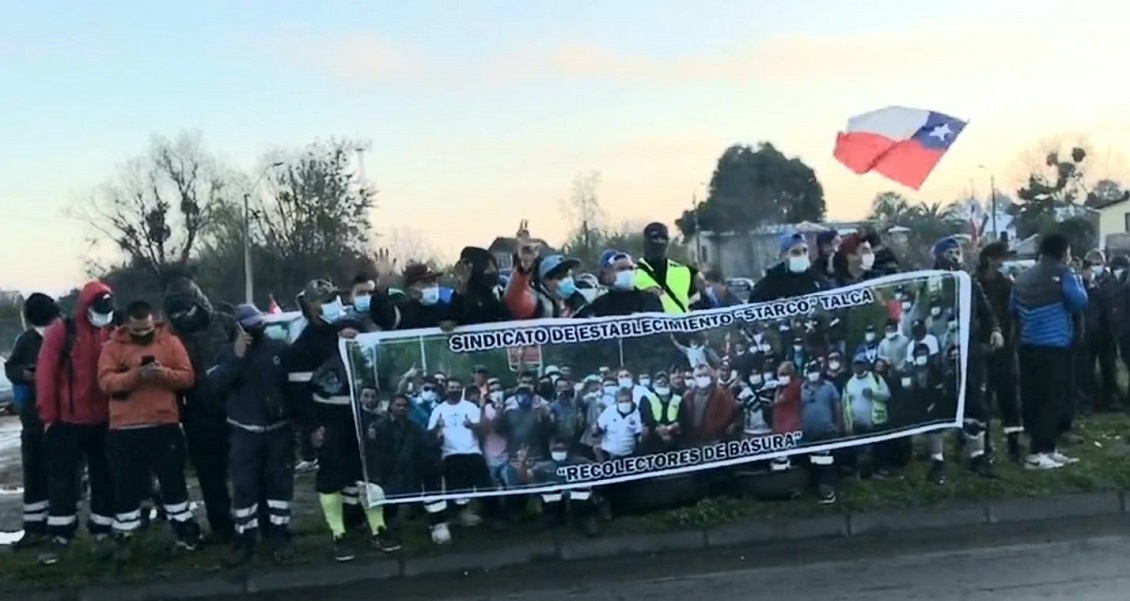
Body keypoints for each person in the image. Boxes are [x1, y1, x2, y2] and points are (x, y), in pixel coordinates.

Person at [285, 279, 386, 561]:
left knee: (368, 470)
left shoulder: (349, 327)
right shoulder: (303, 345)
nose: (329, 306)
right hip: (327, 415)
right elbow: (298, 392)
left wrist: (360, 335)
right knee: (331, 472)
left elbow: (377, 347)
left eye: (331, 299)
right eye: (321, 301)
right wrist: (311, 427)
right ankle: (338, 532)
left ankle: (377, 527)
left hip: (360, 412)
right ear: (308, 306)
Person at [97, 300, 201, 554]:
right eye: (138, 331)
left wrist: (161, 374)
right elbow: (105, 382)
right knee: (126, 487)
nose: (143, 335)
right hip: (124, 429)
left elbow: (187, 377)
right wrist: (135, 376)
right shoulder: (112, 347)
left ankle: (183, 530)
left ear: (154, 322)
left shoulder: (170, 342)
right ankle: (128, 536)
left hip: (163, 424)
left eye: (147, 329)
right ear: (127, 325)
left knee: (173, 483)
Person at [208, 304, 299, 565]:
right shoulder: (227, 354)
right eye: (250, 326)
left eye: (259, 324)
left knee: (279, 487)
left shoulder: (278, 349)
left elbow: (293, 387)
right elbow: (215, 387)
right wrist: (237, 357)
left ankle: (279, 536)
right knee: (244, 488)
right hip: (244, 433)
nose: (256, 329)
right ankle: (244, 540)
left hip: (278, 432)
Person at [35, 281, 116, 565]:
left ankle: (102, 527)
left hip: (103, 419)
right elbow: (46, 375)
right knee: (63, 480)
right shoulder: (62, 331)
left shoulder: (111, 329)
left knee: (104, 476)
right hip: (67, 420)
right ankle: (61, 532)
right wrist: (49, 416)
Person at [162, 276, 237, 542]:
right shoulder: (169, 337)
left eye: (187, 309)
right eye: (176, 312)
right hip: (197, 411)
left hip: (234, 406)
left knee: (244, 469)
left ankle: (253, 522)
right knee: (210, 474)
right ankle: (222, 527)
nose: (183, 316)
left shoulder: (225, 321)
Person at [925, 237, 1003, 484]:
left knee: (976, 405)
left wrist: (995, 330)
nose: (955, 256)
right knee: (936, 407)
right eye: (950, 252)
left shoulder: (969, 283)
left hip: (969, 354)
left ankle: (978, 457)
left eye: (958, 251)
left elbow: (986, 311)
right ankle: (937, 461)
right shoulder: (928, 283)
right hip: (939, 355)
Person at [1012, 233, 1089, 470]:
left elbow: (1012, 306)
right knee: (1052, 399)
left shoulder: (1023, 277)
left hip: (1027, 345)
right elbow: (1079, 301)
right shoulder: (1064, 273)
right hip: (1054, 346)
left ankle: (1049, 449)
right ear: (1063, 251)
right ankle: (1039, 452)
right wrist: (1076, 279)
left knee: (1034, 396)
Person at [4, 293, 61, 549]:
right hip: (34, 418)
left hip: (60, 416)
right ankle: (36, 527)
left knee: (60, 473)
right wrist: (25, 374)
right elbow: (12, 368)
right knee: (35, 473)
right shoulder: (27, 341)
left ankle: (59, 525)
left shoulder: (63, 337)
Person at [428, 377, 500, 533]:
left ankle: (493, 517)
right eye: (452, 387)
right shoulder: (438, 410)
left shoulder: (470, 407)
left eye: (458, 387)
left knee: (486, 487)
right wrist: (437, 429)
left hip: (473, 452)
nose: (455, 390)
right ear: (446, 390)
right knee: (455, 489)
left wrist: (472, 425)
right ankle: (456, 518)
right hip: (450, 455)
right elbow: (431, 437)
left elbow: (484, 430)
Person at [976, 241, 1023, 462]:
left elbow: (1016, 316)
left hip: (1005, 350)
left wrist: (1012, 341)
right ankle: (982, 448)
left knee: (1010, 400)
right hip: (981, 351)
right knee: (981, 401)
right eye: (1002, 258)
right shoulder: (974, 284)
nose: (1006, 263)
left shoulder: (1008, 286)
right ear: (990, 259)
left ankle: (1014, 447)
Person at [1080, 249, 1120, 413]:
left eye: (1098, 263)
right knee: (1086, 369)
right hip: (1088, 330)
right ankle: (1088, 401)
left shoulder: (1109, 281)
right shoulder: (1080, 282)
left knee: (1109, 366)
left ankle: (1109, 399)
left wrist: (1094, 286)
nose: (1094, 267)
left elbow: (1110, 299)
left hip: (1107, 330)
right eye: (1091, 264)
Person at [634, 222, 699, 314]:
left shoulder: (685, 271)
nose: (659, 242)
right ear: (646, 241)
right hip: (651, 326)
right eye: (655, 238)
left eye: (663, 238)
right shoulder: (632, 273)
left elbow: (699, 305)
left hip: (682, 326)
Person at [370, 261, 455, 330]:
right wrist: (381, 287)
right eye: (426, 282)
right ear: (412, 289)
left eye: (434, 280)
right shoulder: (402, 311)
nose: (433, 285)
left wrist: (456, 321)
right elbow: (382, 317)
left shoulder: (446, 307)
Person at [578, 250, 663, 317]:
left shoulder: (649, 300)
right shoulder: (599, 305)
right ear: (608, 273)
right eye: (621, 269)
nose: (627, 272)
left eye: (630, 268)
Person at [749, 231, 828, 302]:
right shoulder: (772, 279)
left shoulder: (815, 276)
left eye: (805, 251)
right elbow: (754, 303)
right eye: (795, 252)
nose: (802, 255)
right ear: (784, 255)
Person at [450, 246, 511, 324]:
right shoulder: (461, 298)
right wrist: (462, 285)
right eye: (487, 268)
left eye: (494, 267)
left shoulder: (496, 295)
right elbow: (448, 323)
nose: (493, 271)